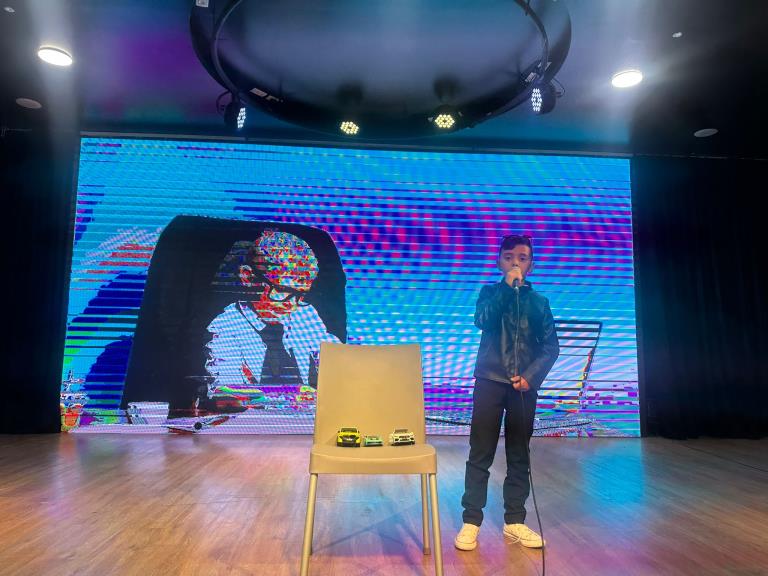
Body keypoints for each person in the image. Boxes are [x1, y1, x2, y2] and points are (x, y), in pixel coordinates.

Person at [454, 234, 559, 551]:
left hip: (523, 387)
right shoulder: (489, 294)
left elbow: (551, 347)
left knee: (518, 454)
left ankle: (515, 521)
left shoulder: (539, 302)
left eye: (522, 258)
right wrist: (505, 288)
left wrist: (530, 377)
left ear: (531, 265)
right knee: (480, 452)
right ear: (499, 261)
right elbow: (482, 321)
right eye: (509, 257)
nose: (516, 262)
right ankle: (471, 521)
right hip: (489, 380)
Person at [203, 229, 341, 407]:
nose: (292, 305)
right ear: (248, 278)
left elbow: (334, 360)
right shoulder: (226, 326)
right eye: (282, 290)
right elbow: (225, 393)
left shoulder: (305, 314)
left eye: (300, 295)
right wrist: (288, 395)